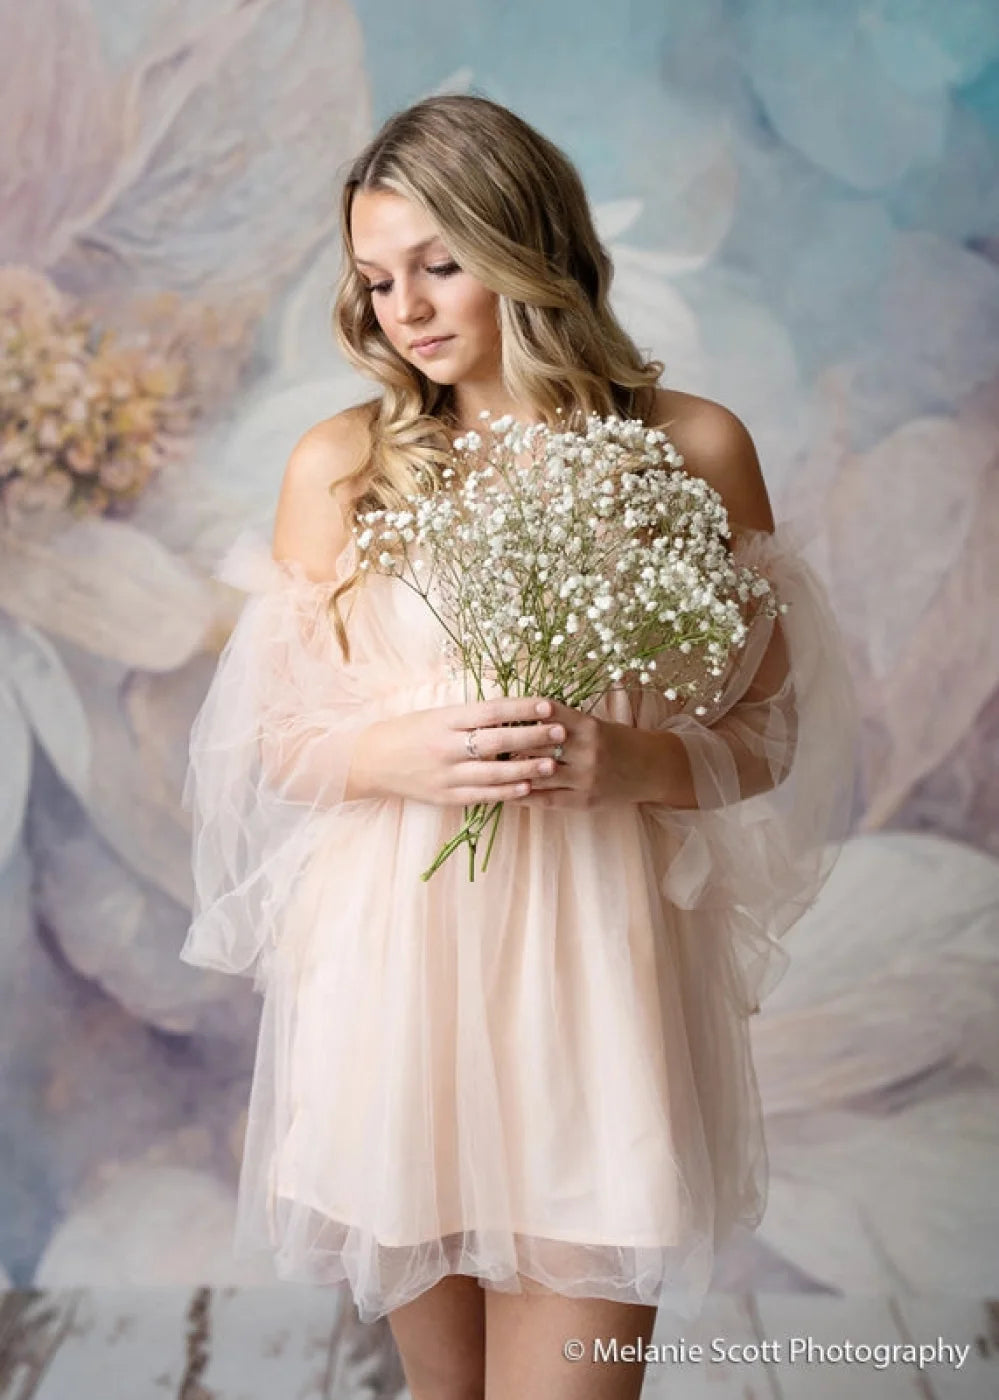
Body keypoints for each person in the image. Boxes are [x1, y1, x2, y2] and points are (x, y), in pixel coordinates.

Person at [180, 94, 859, 1400]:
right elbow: (271, 739)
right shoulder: (345, 465)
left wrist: (636, 767)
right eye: (378, 277)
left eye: (440, 263)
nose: (406, 308)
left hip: (597, 974)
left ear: (527, 245)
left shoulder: (688, 449)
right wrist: (394, 757)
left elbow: (771, 726)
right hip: (396, 973)